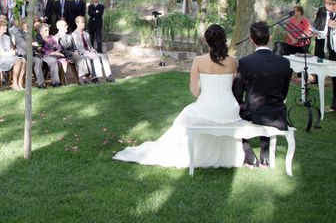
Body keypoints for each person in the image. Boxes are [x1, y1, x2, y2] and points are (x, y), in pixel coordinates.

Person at [114, 24, 244, 168]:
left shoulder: (199, 61)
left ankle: (181, 152)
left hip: (209, 106)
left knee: (184, 117)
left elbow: (194, 90)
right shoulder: (232, 61)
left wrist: (206, 99)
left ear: (207, 41)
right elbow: (231, 85)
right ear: (224, 39)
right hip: (230, 108)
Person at [233, 22, 292, 167]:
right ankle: (265, 157)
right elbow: (283, 94)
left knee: (230, 114)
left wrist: (239, 105)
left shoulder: (245, 62)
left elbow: (237, 93)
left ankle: (248, 154)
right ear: (270, 37)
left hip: (254, 112)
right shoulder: (284, 62)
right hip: (277, 113)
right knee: (264, 106)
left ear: (251, 40)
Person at [70, 16, 115, 83]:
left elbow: (90, 46)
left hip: (90, 52)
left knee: (104, 56)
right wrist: (88, 52)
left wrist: (93, 50)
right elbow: (78, 48)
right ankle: (95, 78)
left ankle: (109, 76)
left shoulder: (87, 34)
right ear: (77, 23)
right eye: (82, 23)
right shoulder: (74, 35)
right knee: (95, 57)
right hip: (83, 53)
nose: (84, 24)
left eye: (84, 22)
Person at [0, 19, 25, 90]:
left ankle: (20, 84)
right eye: (3, 26)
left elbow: (10, 49)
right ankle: (14, 84)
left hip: (8, 58)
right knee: (18, 61)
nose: (6, 28)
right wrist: (4, 54)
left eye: (6, 26)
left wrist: (12, 52)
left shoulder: (7, 37)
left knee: (23, 60)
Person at [313, 0, 336, 111]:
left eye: (328, 3)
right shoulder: (325, 12)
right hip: (331, 48)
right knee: (334, 76)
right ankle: (334, 104)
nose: (326, 5)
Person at [56, 19, 90, 85]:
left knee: (84, 57)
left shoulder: (69, 36)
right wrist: (72, 53)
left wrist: (76, 51)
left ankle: (84, 78)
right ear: (58, 27)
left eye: (67, 25)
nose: (67, 27)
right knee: (82, 58)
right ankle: (82, 79)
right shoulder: (56, 37)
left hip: (73, 55)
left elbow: (74, 47)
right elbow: (61, 50)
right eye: (65, 26)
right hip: (63, 56)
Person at [38, 23, 63, 88]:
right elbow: (42, 50)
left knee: (60, 61)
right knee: (53, 61)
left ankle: (58, 81)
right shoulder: (40, 40)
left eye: (48, 30)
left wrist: (58, 50)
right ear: (41, 32)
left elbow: (59, 46)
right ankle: (56, 83)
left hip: (55, 55)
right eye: (45, 30)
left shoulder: (51, 38)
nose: (48, 31)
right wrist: (53, 53)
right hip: (44, 57)